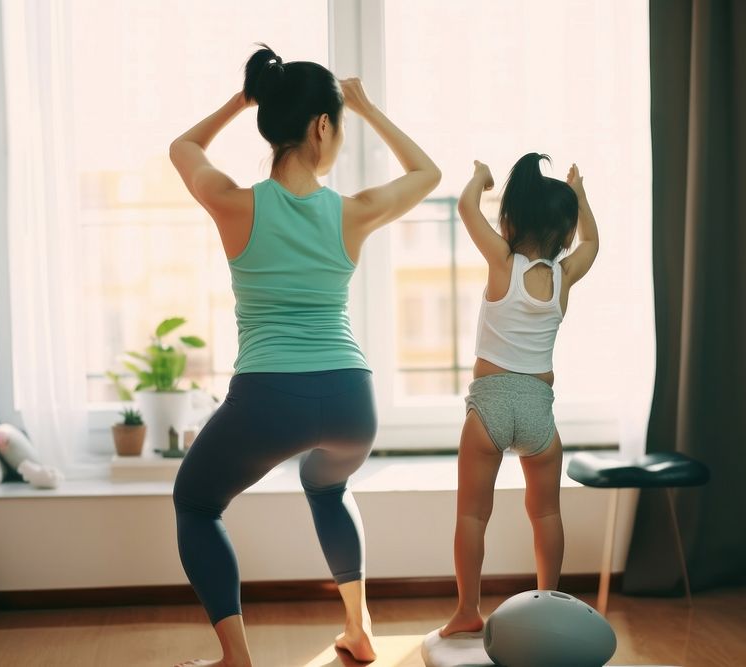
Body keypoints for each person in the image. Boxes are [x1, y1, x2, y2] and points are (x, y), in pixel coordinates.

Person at [168, 44, 440, 666]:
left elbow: (184, 148)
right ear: (324, 126)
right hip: (351, 400)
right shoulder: (353, 212)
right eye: (339, 124)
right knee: (328, 486)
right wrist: (366, 106)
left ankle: (237, 657)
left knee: (197, 503)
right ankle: (359, 629)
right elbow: (427, 173)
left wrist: (243, 100)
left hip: (269, 399)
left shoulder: (234, 203)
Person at [440, 154, 598, 637]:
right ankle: (550, 599)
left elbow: (467, 210)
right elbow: (593, 240)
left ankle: (469, 610)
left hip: (489, 406)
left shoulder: (502, 262)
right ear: (564, 233)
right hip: (538, 410)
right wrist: (581, 193)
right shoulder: (563, 277)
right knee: (546, 512)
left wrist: (479, 179)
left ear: (509, 223)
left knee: (472, 513)